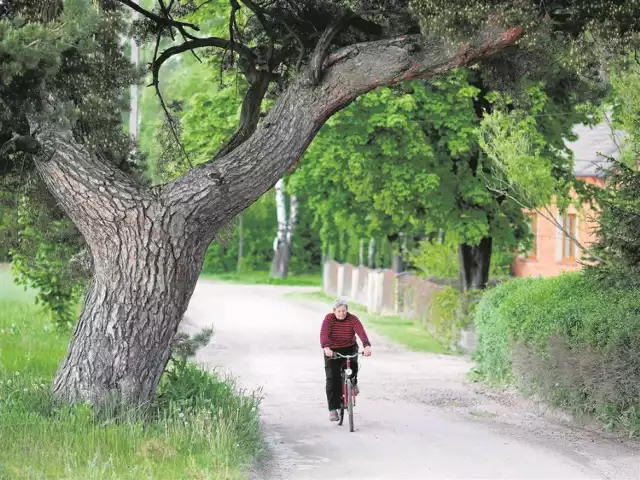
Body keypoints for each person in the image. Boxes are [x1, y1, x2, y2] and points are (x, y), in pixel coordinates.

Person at [320, 298, 372, 422]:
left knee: (353, 366)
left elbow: (361, 332)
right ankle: (333, 409)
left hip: (349, 347)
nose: (341, 314)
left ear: (347, 310)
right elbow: (324, 334)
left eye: (344, 311)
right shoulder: (329, 319)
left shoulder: (352, 319)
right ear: (334, 311)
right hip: (333, 350)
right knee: (332, 378)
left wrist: (367, 345)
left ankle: (353, 383)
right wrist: (326, 348)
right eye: (339, 311)